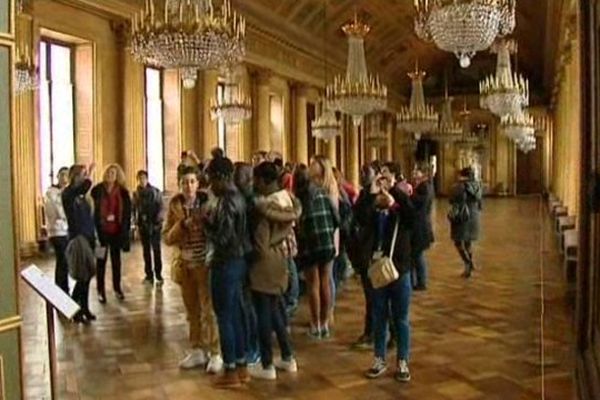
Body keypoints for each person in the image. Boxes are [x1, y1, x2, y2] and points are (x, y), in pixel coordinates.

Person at [163, 166, 223, 373]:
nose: (188, 186)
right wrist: (182, 225)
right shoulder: (174, 206)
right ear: (179, 185)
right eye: (184, 182)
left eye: (192, 181)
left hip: (204, 263)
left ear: (198, 183)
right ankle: (197, 348)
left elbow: (218, 230)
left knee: (209, 311)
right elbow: (167, 237)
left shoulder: (209, 203)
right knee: (192, 311)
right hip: (185, 264)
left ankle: (215, 352)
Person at [248, 161, 301, 380]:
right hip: (281, 261)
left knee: (263, 315)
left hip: (263, 267)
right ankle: (288, 357)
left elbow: (260, 245)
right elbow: (286, 228)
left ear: (262, 180)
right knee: (277, 311)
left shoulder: (264, 208)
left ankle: (267, 364)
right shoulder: (287, 201)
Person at [204, 156, 253, 388]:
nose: (210, 185)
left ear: (221, 177)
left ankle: (231, 369)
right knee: (236, 314)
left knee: (224, 315)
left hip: (225, 262)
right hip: (240, 260)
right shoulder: (240, 197)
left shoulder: (225, 201)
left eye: (211, 179)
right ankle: (242, 366)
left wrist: (203, 222)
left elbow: (222, 237)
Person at [364, 164, 415, 383]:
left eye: (386, 175)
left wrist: (395, 195)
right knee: (379, 316)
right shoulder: (374, 203)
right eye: (380, 174)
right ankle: (379, 358)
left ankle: (403, 360)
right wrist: (371, 191)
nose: (382, 178)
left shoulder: (400, 201)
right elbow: (359, 218)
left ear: (395, 177)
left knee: (401, 317)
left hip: (399, 267)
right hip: (377, 267)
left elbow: (413, 219)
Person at [294, 164, 338, 339]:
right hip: (326, 241)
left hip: (310, 244)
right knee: (325, 282)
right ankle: (325, 323)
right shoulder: (321, 192)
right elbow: (336, 217)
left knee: (313, 284)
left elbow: (297, 224)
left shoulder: (299, 197)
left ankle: (315, 325)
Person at [90, 164, 132, 303]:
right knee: (100, 262)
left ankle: (117, 288)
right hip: (101, 233)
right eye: (108, 173)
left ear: (117, 176)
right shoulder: (97, 190)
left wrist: (125, 233)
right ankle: (100, 291)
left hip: (116, 232)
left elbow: (127, 214)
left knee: (116, 261)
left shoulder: (123, 193)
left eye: (113, 173)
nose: (110, 175)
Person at [233, 162, 261, 367]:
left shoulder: (251, 201)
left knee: (249, 305)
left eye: (239, 176)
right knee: (244, 304)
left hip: (250, 257)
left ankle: (253, 347)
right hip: (245, 255)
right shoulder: (243, 199)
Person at [348, 164, 378, 348]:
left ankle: (373, 333)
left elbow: (367, 217)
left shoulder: (377, 197)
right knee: (372, 296)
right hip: (365, 250)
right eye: (361, 171)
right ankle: (373, 332)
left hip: (374, 252)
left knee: (375, 296)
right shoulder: (366, 194)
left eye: (366, 172)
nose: (361, 175)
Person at [62, 164, 97, 324]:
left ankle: (84, 308)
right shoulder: (68, 193)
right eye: (82, 174)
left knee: (88, 275)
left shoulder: (82, 196)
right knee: (82, 276)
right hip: (78, 238)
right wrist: (90, 174)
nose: (85, 178)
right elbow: (84, 187)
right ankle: (74, 309)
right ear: (75, 176)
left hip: (88, 236)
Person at [450, 167, 483, 278]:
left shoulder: (458, 187)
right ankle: (471, 263)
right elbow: (480, 203)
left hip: (461, 216)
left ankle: (467, 263)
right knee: (468, 242)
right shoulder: (478, 185)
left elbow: (452, 200)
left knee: (458, 241)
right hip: (474, 215)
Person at [133, 170, 164, 286]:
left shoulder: (155, 192)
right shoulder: (136, 194)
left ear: (147, 178)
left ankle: (158, 274)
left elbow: (160, 207)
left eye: (143, 178)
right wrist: (136, 225)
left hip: (155, 225)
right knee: (146, 251)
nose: (142, 180)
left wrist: (158, 221)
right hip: (143, 226)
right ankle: (149, 275)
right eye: (140, 178)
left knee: (156, 250)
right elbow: (135, 210)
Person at [45, 167, 70, 294]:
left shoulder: (67, 192)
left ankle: (63, 288)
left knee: (63, 261)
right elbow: (57, 211)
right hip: (56, 231)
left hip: (65, 231)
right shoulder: (52, 192)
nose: (65, 178)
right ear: (58, 177)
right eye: (62, 175)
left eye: (67, 175)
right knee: (62, 260)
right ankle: (61, 289)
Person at [410, 163, 435, 291]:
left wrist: (409, 194)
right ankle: (417, 280)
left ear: (423, 174)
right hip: (421, 224)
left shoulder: (424, 187)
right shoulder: (425, 186)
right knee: (416, 255)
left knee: (418, 256)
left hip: (420, 226)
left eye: (416, 172)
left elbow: (421, 203)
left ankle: (421, 282)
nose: (413, 174)